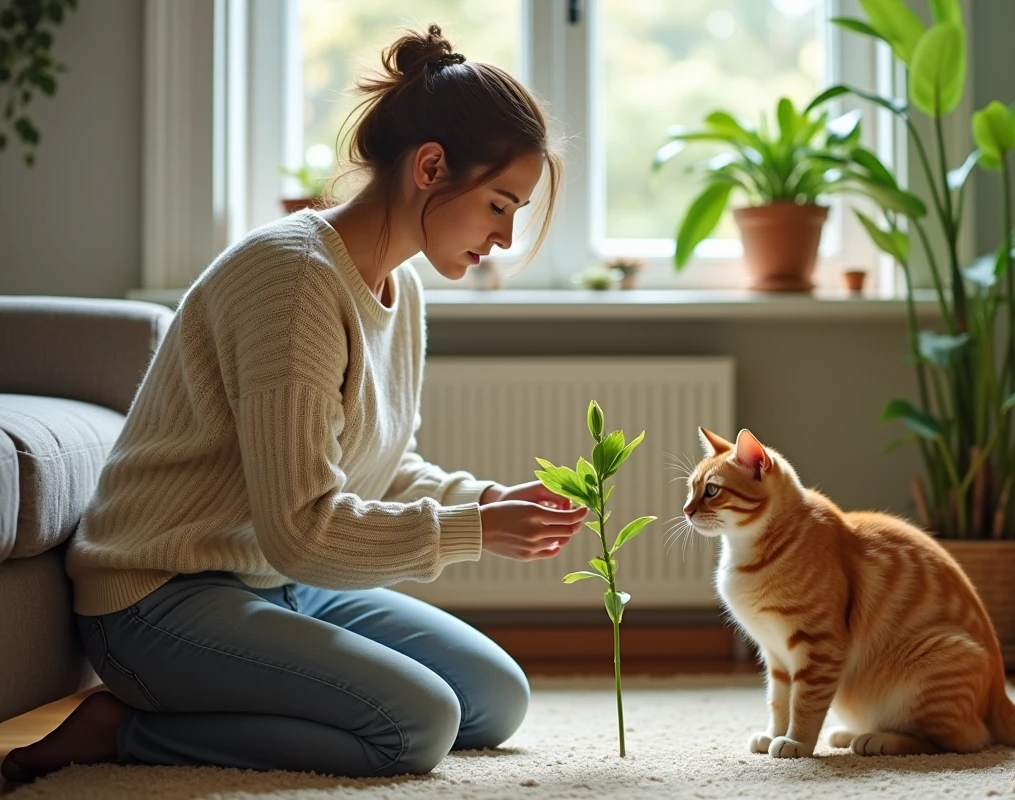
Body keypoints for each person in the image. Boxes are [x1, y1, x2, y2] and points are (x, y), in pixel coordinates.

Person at [1, 24, 582, 783]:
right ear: (432, 166)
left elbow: (376, 465)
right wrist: (473, 529)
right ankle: (126, 731)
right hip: (158, 598)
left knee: (493, 698)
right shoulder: (296, 280)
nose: (505, 238)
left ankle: (250, 693)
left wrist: (489, 500)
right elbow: (304, 530)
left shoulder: (398, 286)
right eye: (500, 205)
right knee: (417, 726)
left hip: (271, 579)